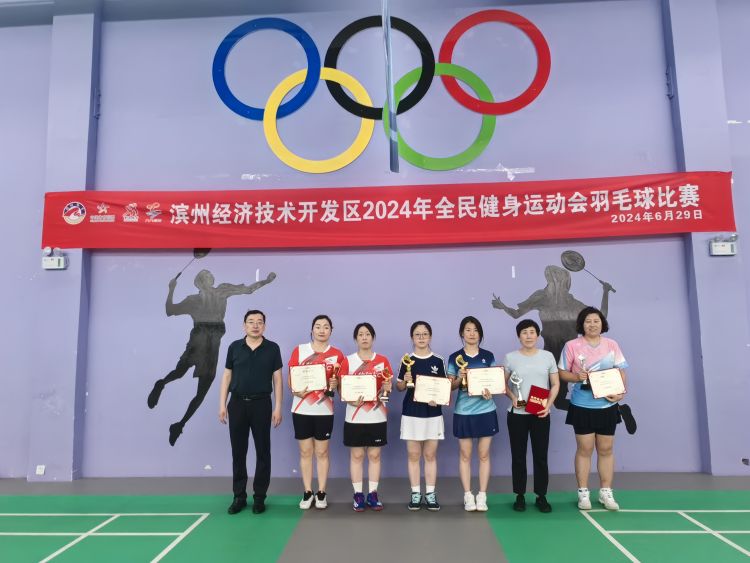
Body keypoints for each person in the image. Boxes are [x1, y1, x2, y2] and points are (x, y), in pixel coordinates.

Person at [147, 269, 276, 445]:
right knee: (180, 372)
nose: (209, 277)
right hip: (200, 341)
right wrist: (171, 289)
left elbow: (248, 289)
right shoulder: (195, 299)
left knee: (201, 390)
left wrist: (266, 281)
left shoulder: (220, 291)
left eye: (209, 275)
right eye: (205, 276)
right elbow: (170, 310)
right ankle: (161, 384)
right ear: (200, 282)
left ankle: (179, 424)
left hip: (211, 346)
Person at [491, 265, 613, 410]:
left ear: (566, 281)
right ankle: (536, 414)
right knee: (547, 396)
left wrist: (605, 292)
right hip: (550, 351)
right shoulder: (541, 297)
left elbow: (601, 316)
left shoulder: (572, 303)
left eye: (559, 278)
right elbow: (516, 313)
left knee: (563, 398)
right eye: (553, 277)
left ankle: (602, 409)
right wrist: (503, 307)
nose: (556, 281)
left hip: (568, 354)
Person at [558, 306, 628, 511]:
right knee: (585, 449)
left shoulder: (612, 344)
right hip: (582, 405)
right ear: (582, 324)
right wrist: (575, 376)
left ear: (602, 323)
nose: (592, 324)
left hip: (607, 405)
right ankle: (583, 493)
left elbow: (621, 372)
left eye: (596, 321)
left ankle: (606, 492)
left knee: (606, 449)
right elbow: (562, 372)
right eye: (588, 321)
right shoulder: (572, 345)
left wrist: (620, 393)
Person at [218, 309, 283, 515]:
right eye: (251, 321)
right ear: (244, 325)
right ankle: (239, 496)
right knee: (238, 452)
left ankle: (259, 497)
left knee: (263, 451)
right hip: (237, 404)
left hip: (262, 404)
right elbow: (227, 376)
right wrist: (222, 404)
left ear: (264, 326)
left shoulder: (272, 348)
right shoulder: (234, 347)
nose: (255, 325)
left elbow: (278, 379)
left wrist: (278, 406)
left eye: (259, 322)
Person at [288, 314, 345, 510]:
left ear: (331, 331)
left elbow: (341, 387)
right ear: (312, 329)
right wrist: (296, 390)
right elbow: (291, 378)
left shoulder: (337, 354)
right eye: (318, 326)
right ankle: (307, 491)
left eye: (326, 327)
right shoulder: (300, 350)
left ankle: (321, 492)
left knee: (322, 452)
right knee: (305, 451)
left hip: (324, 410)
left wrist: (336, 384)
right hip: (301, 409)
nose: (322, 330)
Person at [504, 319, 560, 513]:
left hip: (541, 413)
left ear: (538, 335)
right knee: (518, 456)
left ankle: (541, 496)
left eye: (532, 332)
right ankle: (519, 495)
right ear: (519, 336)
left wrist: (548, 405)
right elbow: (503, 384)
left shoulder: (547, 356)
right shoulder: (510, 358)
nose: (528, 336)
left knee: (541, 456)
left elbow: (555, 384)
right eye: (524, 332)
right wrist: (513, 397)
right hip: (517, 415)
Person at [447, 316, 498, 512]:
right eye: (468, 330)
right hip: (464, 412)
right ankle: (468, 495)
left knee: (484, 455)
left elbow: (494, 382)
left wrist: (490, 391)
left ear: (480, 334)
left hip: (486, 410)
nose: (472, 333)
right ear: (462, 333)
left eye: (475, 330)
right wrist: (459, 378)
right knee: (465, 455)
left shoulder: (488, 356)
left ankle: (482, 495)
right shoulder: (454, 357)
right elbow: (450, 386)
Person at [340, 323, 393, 512]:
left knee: (374, 455)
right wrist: (350, 399)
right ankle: (358, 494)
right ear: (356, 338)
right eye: (361, 334)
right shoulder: (348, 361)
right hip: (354, 416)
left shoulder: (382, 360)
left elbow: (387, 388)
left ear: (373, 337)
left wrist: (387, 389)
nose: (364, 337)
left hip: (377, 415)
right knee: (357, 455)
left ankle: (373, 494)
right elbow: (341, 387)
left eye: (368, 334)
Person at [396, 321, 447, 511]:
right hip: (411, 413)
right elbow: (399, 387)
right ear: (412, 337)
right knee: (413, 455)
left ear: (430, 337)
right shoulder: (406, 360)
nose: (421, 337)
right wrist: (405, 381)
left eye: (425, 334)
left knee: (430, 455)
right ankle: (416, 493)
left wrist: (438, 399)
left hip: (433, 413)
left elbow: (444, 388)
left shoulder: (438, 360)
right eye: (417, 334)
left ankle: (431, 494)